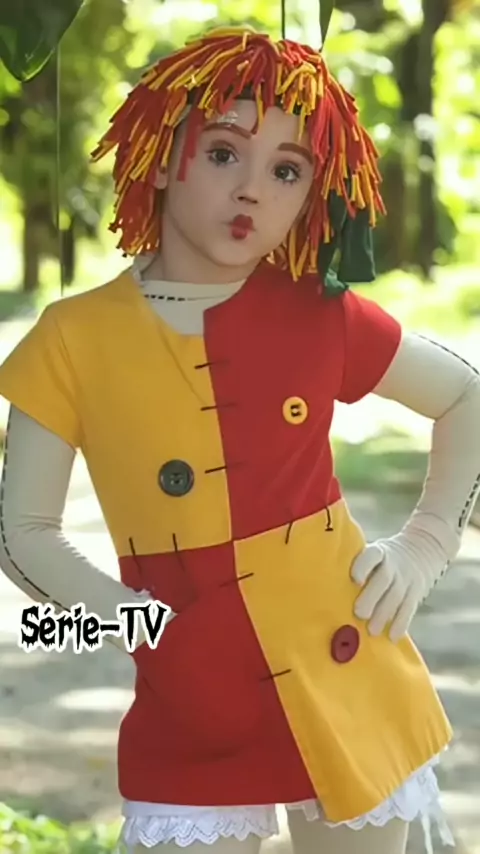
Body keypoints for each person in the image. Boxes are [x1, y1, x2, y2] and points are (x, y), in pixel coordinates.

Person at [0, 25, 479, 854]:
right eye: (224, 153)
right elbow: (24, 531)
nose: (252, 191)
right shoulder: (69, 340)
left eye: (287, 170)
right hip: (190, 704)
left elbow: (465, 395)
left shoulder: (319, 310)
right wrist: (132, 620)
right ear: (159, 153)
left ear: (312, 193)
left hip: (351, 678)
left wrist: (426, 544)